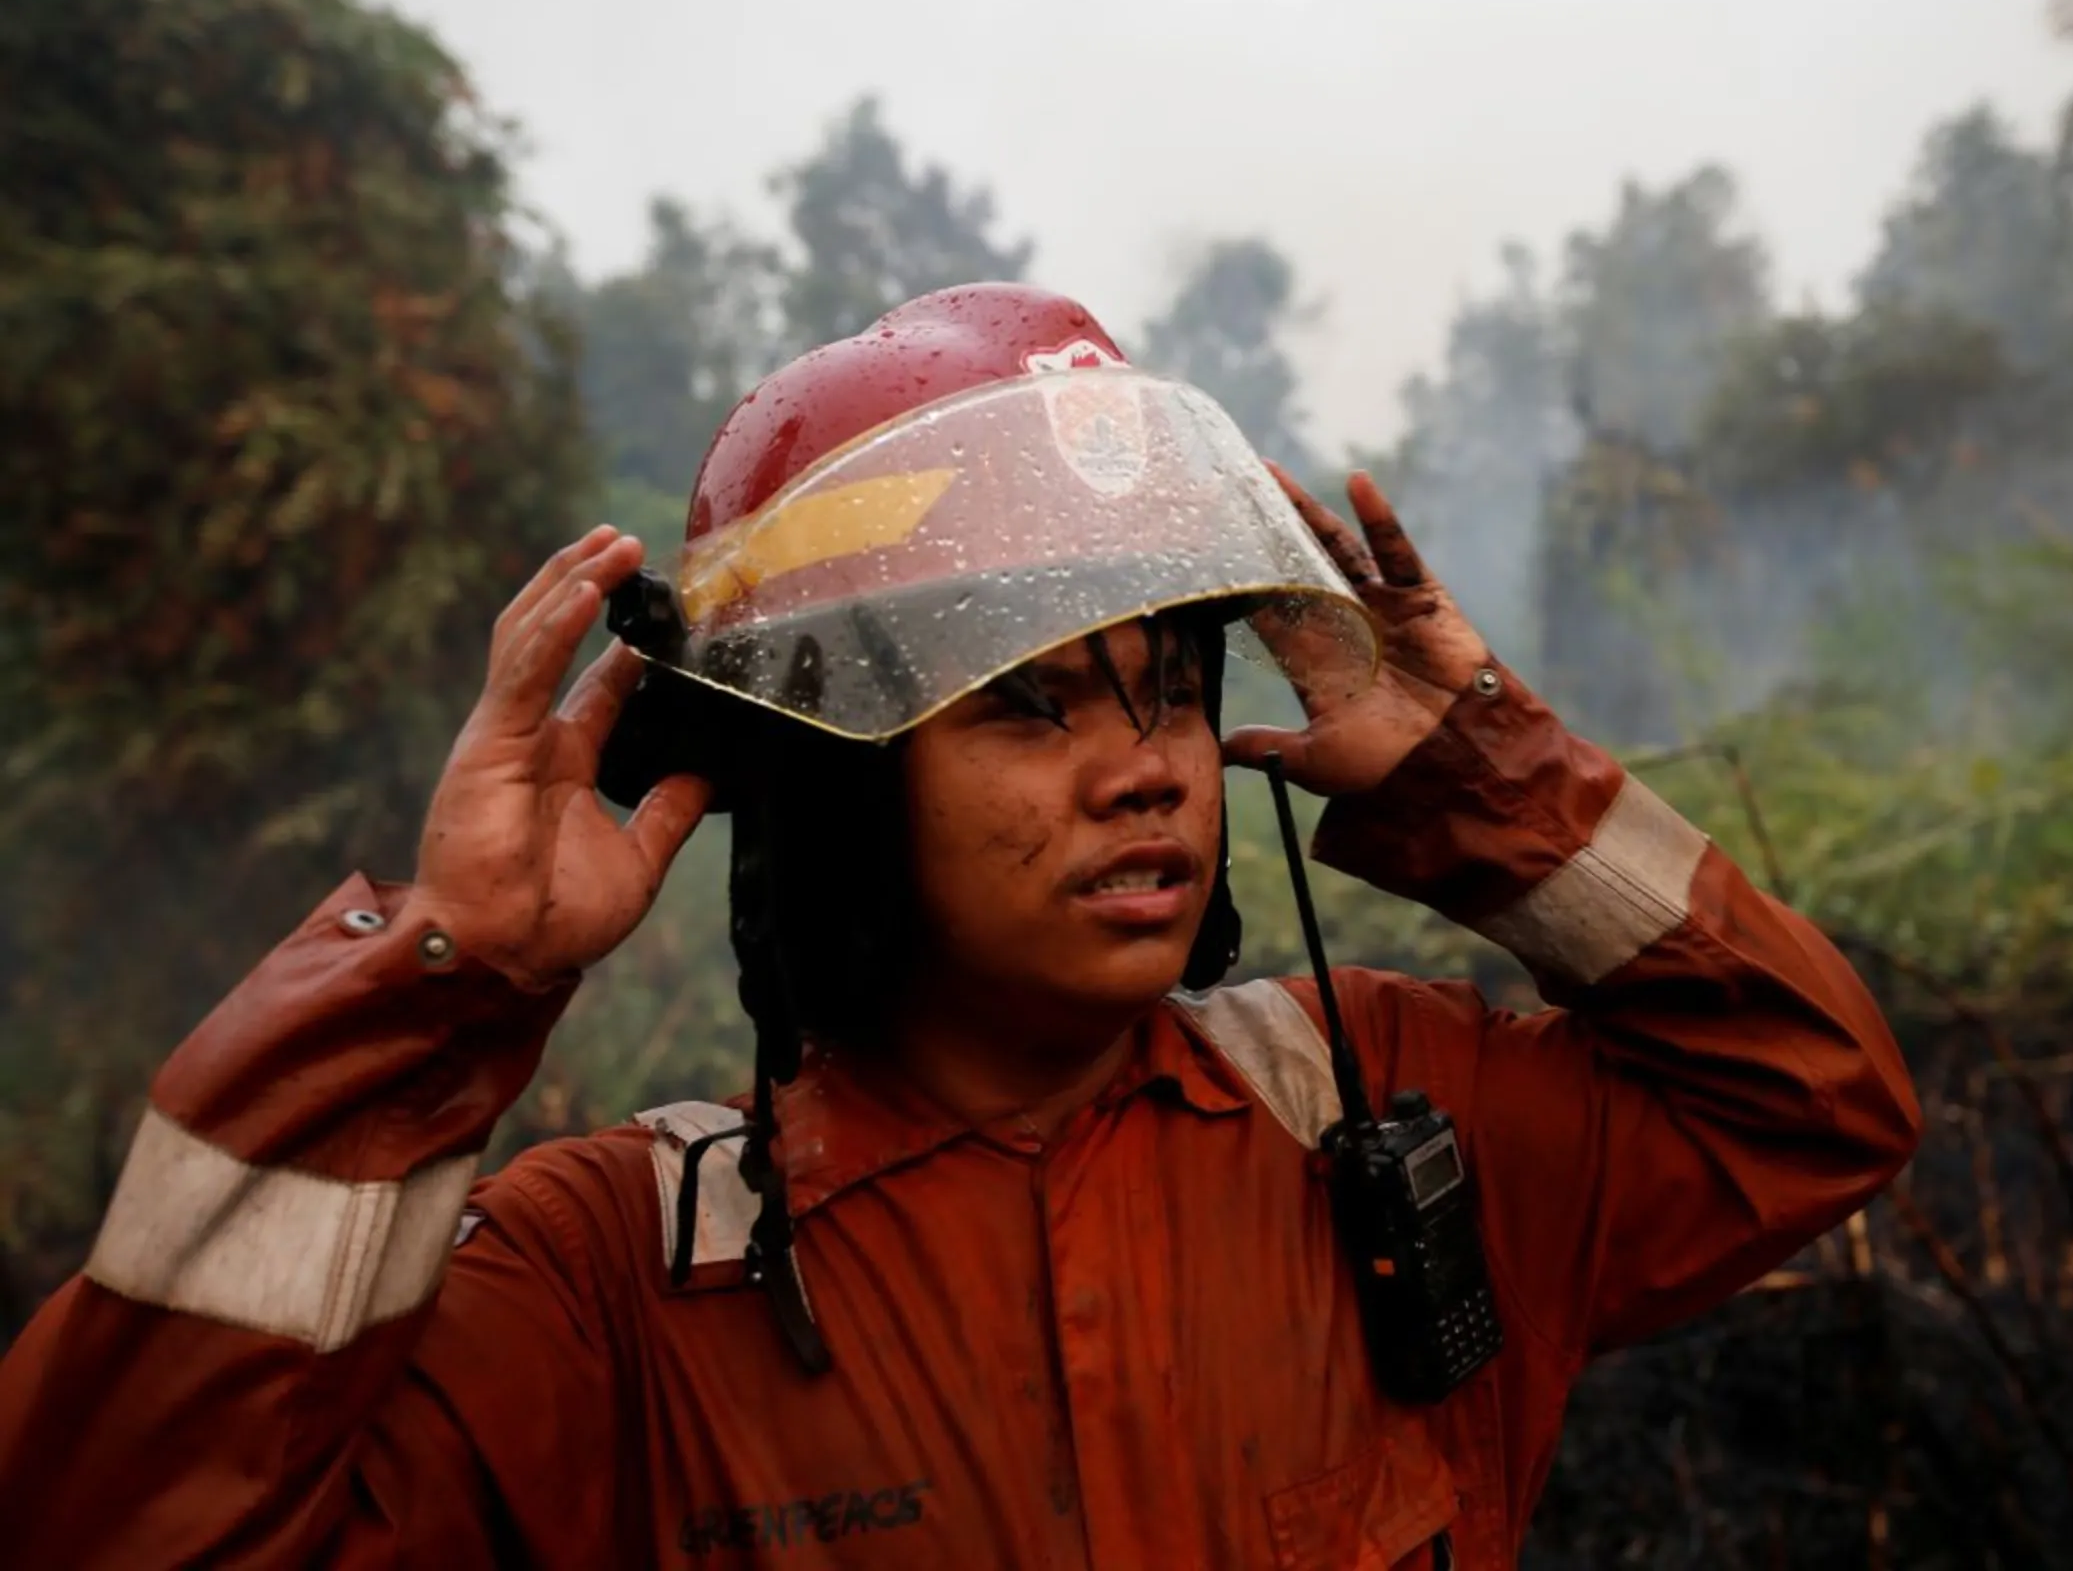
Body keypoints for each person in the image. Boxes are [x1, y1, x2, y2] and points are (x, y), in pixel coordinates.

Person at [0, 284, 1920, 1569]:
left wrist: (1484, 782)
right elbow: (113, 1534)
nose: (1148, 766)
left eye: (1166, 685)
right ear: (840, 783)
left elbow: (1810, 1110)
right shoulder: (611, 1290)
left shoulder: (1381, 1113)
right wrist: (444, 991)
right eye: (1028, 704)